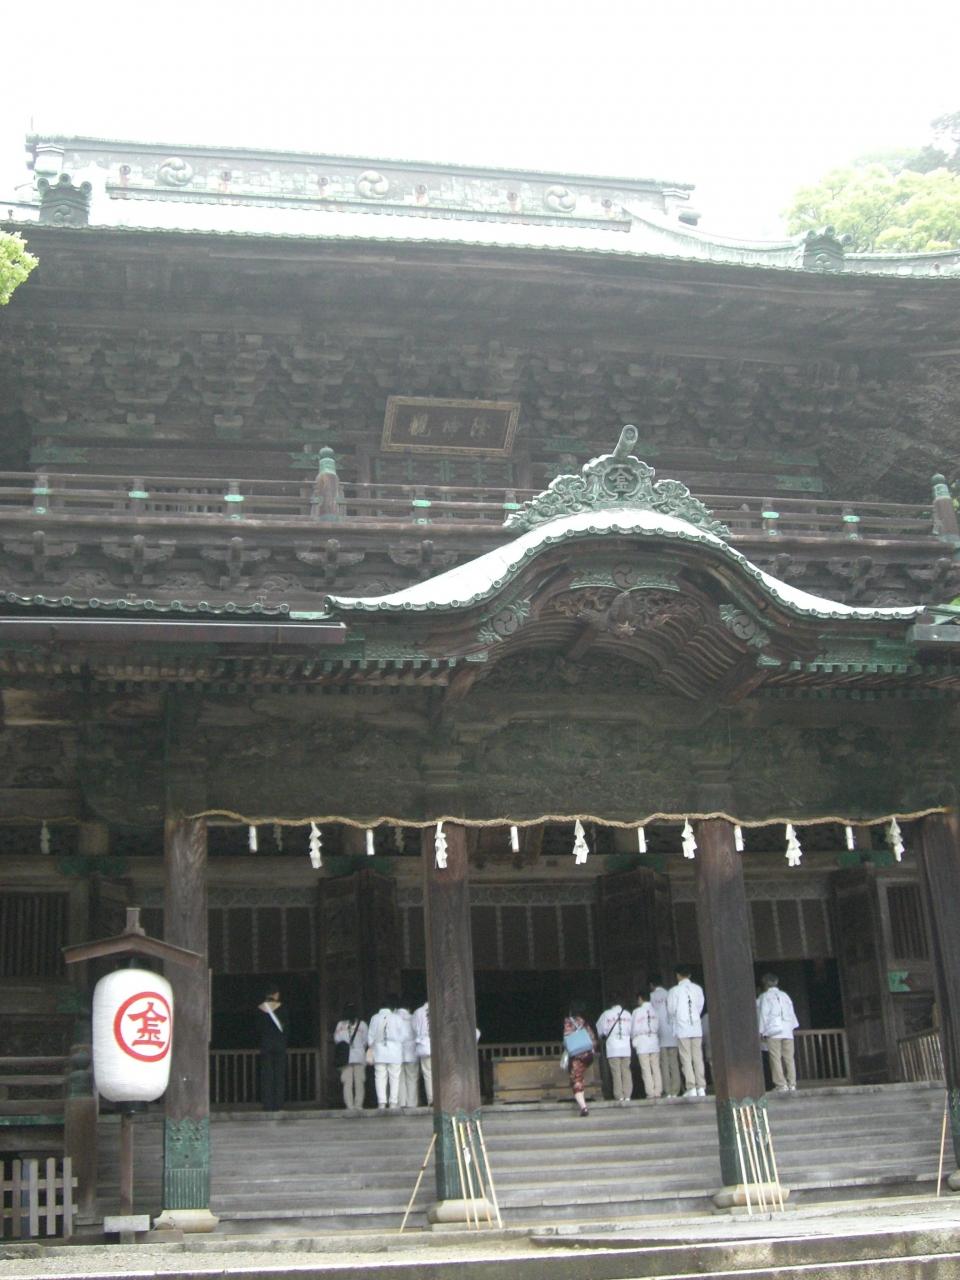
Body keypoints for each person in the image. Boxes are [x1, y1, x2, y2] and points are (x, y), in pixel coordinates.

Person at [667, 966, 706, 1097]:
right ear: (689, 975)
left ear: (678, 975)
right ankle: (701, 1087)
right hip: (696, 1027)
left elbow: (671, 1009)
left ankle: (691, 1087)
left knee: (686, 1058)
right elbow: (700, 1006)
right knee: (698, 1057)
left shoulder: (674, 991)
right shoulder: (698, 989)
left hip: (682, 1027)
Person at [757, 972, 800, 1092]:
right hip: (787, 1030)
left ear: (765, 984)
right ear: (776, 983)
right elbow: (792, 1013)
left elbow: (764, 1015)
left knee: (775, 1058)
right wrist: (791, 1027)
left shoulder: (765, 997)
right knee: (789, 1058)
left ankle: (781, 1084)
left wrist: (761, 1031)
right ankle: (792, 1083)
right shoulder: (785, 996)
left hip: (774, 1031)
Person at [367, 994, 406, 1110]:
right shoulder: (397, 1018)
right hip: (394, 1052)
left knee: (380, 1077)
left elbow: (370, 1038)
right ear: (392, 1008)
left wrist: (374, 1045)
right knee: (395, 1077)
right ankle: (393, 1103)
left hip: (379, 1051)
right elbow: (403, 1036)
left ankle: (381, 1102)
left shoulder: (374, 1018)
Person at [563, 998, 598, 1117]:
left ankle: (583, 1107)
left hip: (576, 1056)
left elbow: (566, 1038)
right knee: (579, 1078)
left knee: (576, 1081)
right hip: (587, 1055)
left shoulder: (568, 1022)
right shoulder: (584, 1022)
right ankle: (582, 1103)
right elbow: (592, 1037)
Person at [650, 973, 681, 1097]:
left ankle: (667, 1090)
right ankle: (676, 1089)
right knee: (674, 1063)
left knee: (664, 1064)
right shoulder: (669, 994)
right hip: (672, 1033)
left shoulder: (652, 997)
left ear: (651, 985)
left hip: (660, 1034)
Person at [597, 995, 633, 1103]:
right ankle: (628, 1095)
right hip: (625, 1046)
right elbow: (632, 1030)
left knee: (616, 1072)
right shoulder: (627, 1014)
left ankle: (619, 1096)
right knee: (626, 1071)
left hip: (613, 1047)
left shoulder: (606, 1014)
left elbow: (600, 1030)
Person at [256, 988, 288, 1112]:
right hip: (279, 1044)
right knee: (279, 1075)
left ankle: (267, 1104)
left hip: (265, 1044)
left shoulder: (260, 1009)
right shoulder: (282, 1008)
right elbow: (286, 1028)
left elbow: (257, 1028)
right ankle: (279, 1104)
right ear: (275, 994)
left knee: (267, 1075)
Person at [332, 1002, 367, 1111]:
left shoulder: (340, 1025)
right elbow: (365, 1041)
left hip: (345, 1057)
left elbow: (337, 1039)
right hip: (359, 1056)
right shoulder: (362, 1024)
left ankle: (350, 1106)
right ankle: (358, 1105)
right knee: (359, 1082)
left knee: (347, 1082)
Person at [630, 990, 662, 1099]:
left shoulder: (637, 1012)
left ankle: (650, 1092)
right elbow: (658, 1026)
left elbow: (633, 1029)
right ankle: (658, 1091)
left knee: (646, 1069)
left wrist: (634, 1041)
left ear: (640, 999)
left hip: (642, 1042)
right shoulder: (655, 1010)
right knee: (656, 1067)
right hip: (653, 1040)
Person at [397, 1000, 419, 1107]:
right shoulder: (413, 1017)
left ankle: (401, 1102)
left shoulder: (394, 1018)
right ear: (409, 1008)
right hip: (411, 1051)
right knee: (412, 1078)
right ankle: (412, 1103)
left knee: (399, 1078)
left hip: (398, 1051)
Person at [413, 999, 433, 1105]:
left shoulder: (418, 1012)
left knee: (428, 1074)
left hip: (424, 1045)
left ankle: (431, 1099)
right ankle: (443, 1097)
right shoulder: (440, 1009)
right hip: (439, 1046)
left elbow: (414, 1028)